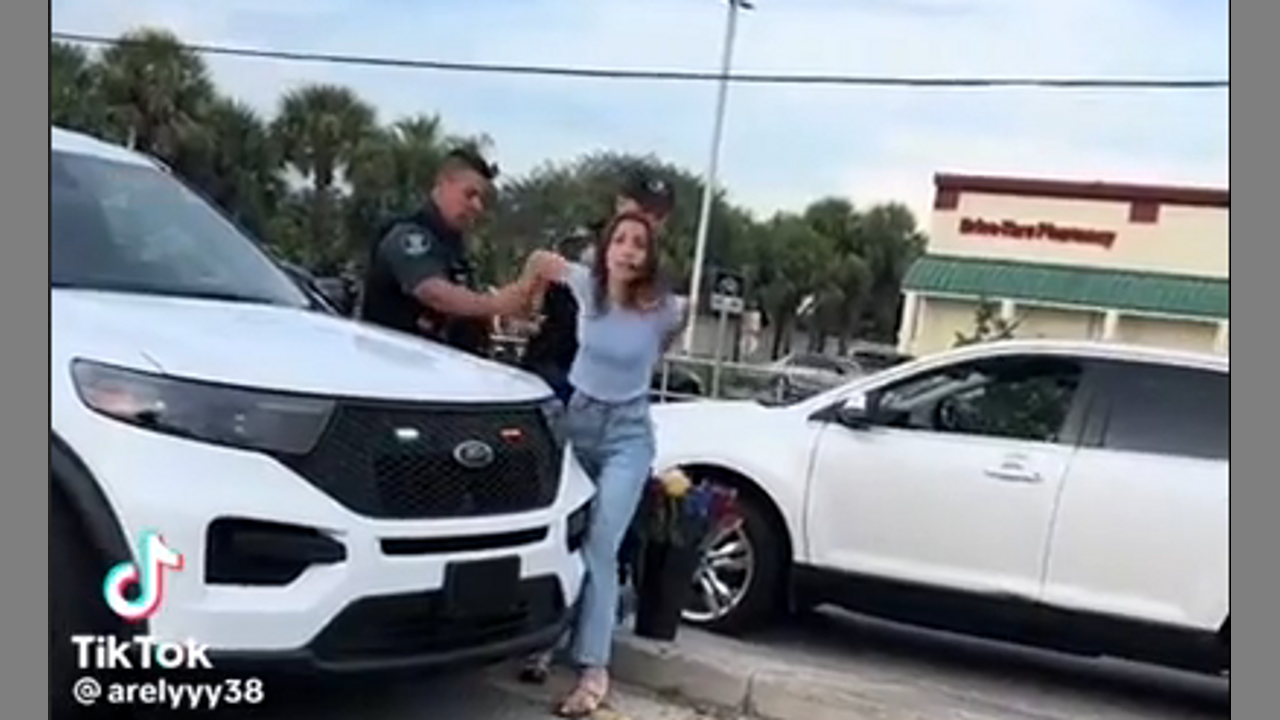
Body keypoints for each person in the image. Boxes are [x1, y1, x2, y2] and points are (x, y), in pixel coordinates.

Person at [516, 212, 686, 717]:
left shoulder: (665, 309)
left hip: (627, 435)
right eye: (620, 241)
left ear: (649, 256)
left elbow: (674, 330)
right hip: (579, 421)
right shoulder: (585, 286)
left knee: (601, 545)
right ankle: (546, 641)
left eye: (639, 244)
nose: (628, 250)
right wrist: (526, 298)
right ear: (606, 248)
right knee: (563, 537)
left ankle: (594, 667)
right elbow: (539, 261)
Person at [520, 170, 675, 401]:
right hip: (556, 368)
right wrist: (524, 306)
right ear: (620, 204)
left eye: (658, 215)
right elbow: (541, 266)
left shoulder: (657, 266)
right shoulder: (582, 245)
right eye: (642, 210)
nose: (649, 220)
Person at [359, 147, 526, 354]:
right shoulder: (408, 236)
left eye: (481, 199)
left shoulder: (452, 248)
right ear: (444, 183)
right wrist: (495, 304)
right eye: (470, 194)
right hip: (396, 365)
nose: (477, 206)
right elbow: (432, 292)